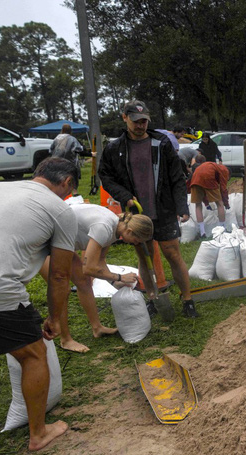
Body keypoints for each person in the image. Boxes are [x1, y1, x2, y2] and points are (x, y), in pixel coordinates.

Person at [0, 157, 78, 451]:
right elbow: (59, 274)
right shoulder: (60, 210)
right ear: (67, 182)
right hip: (1, 288)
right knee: (33, 354)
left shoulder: (4, 188)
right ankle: (38, 433)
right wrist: (55, 319)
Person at [98, 99, 198, 318]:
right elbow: (105, 177)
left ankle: (188, 300)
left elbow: (176, 178)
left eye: (144, 121)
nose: (140, 125)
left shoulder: (161, 143)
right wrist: (125, 196)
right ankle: (152, 298)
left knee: (172, 252)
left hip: (163, 208)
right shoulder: (115, 148)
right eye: (135, 121)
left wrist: (182, 205)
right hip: (136, 213)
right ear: (125, 118)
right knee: (144, 256)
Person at [38, 205, 154, 352]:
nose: (135, 244)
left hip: (62, 243)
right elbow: (89, 268)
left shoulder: (116, 226)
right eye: (136, 240)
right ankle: (65, 339)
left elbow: (100, 261)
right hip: (43, 241)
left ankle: (97, 328)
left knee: (84, 282)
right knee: (62, 288)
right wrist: (119, 276)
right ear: (129, 231)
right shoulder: (104, 227)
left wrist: (114, 281)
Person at [189, 154, 230, 238]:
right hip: (208, 175)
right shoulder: (224, 170)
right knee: (219, 203)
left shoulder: (207, 166)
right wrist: (226, 203)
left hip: (195, 178)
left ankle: (202, 232)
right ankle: (222, 229)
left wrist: (207, 204)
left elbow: (203, 189)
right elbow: (223, 188)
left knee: (198, 204)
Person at [50, 123, 91, 191]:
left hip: (57, 163)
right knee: (72, 179)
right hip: (70, 163)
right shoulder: (72, 139)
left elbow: (51, 150)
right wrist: (90, 154)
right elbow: (79, 150)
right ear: (70, 130)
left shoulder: (56, 138)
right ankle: (74, 192)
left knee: (59, 179)